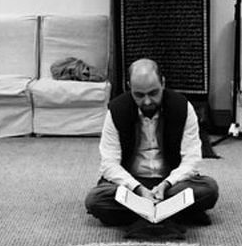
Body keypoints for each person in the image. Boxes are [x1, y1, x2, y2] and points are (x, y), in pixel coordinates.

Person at [85, 58, 219, 235]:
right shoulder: (117, 110)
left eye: (153, 93)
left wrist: (166, 184)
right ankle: (174, 213)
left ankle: (143, 213)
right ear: (129, 87)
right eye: (139, 95)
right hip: (132, 183)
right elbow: (109, 164)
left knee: (208, 189)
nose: (147, 101)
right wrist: (138, 189)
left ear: (163, 83)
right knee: (95, 200)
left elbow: (191, 159)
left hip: (171, 184)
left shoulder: (182, 107)